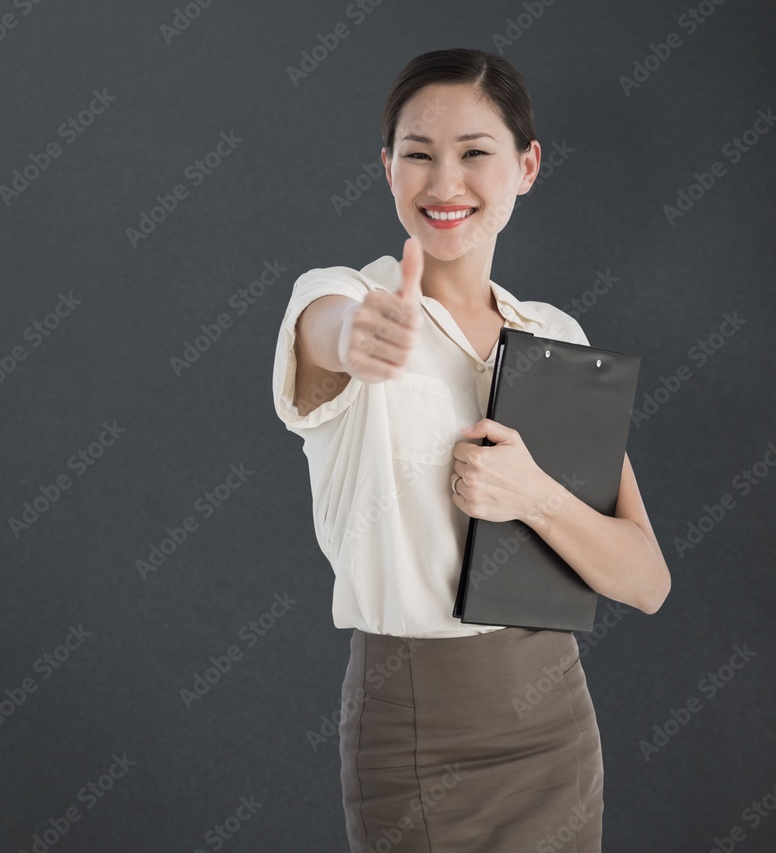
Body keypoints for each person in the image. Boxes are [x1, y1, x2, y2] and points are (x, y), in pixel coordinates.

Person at [271, 48, 671, 852]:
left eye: (475, 153)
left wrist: (536, 498)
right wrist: (359, 340)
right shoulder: (351, 297)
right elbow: (327, 333)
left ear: (526, 166)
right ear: (387, 170)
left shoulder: (555, 337)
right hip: (418, 722)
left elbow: (646, 581)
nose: (444, 183)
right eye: (417, 154)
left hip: (556, 716)